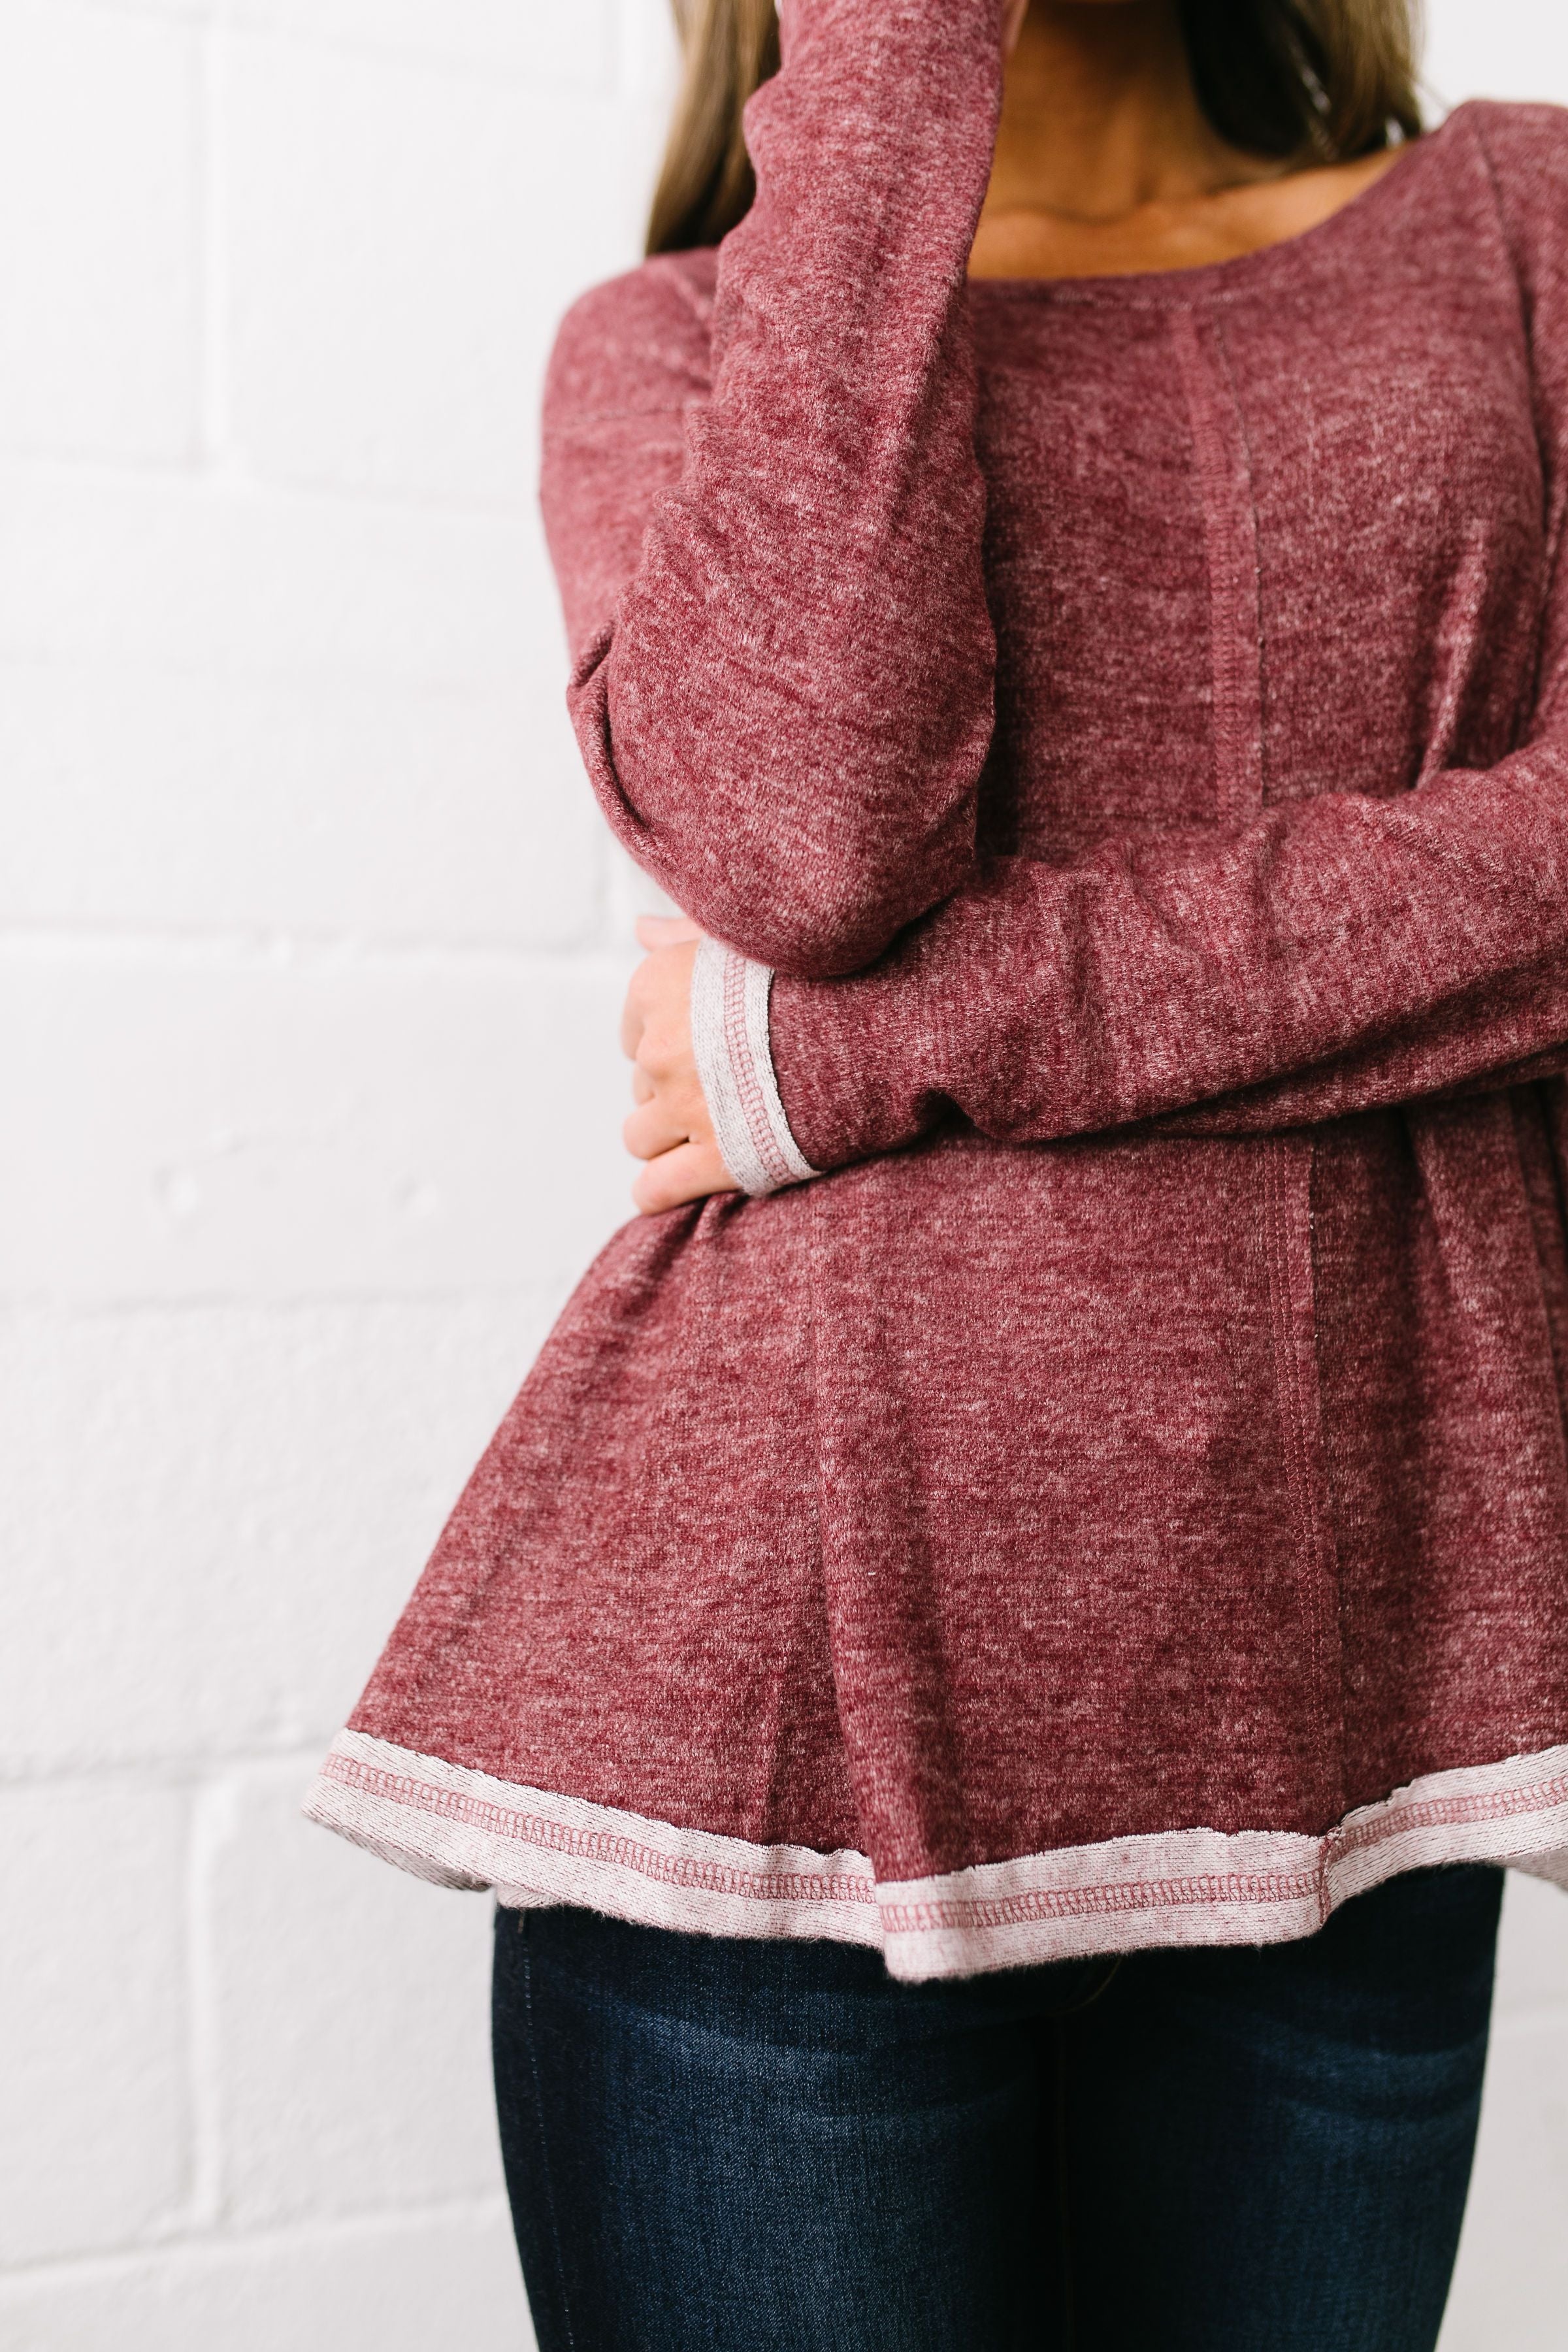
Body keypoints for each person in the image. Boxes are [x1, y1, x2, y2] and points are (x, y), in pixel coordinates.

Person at [306, 2, 1568, 2343]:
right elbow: (800, 839)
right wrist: (890, 65)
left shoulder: (1524, 220)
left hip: (1349, 1743)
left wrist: (877, 1049)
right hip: (752, 1758)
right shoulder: (674, 345)